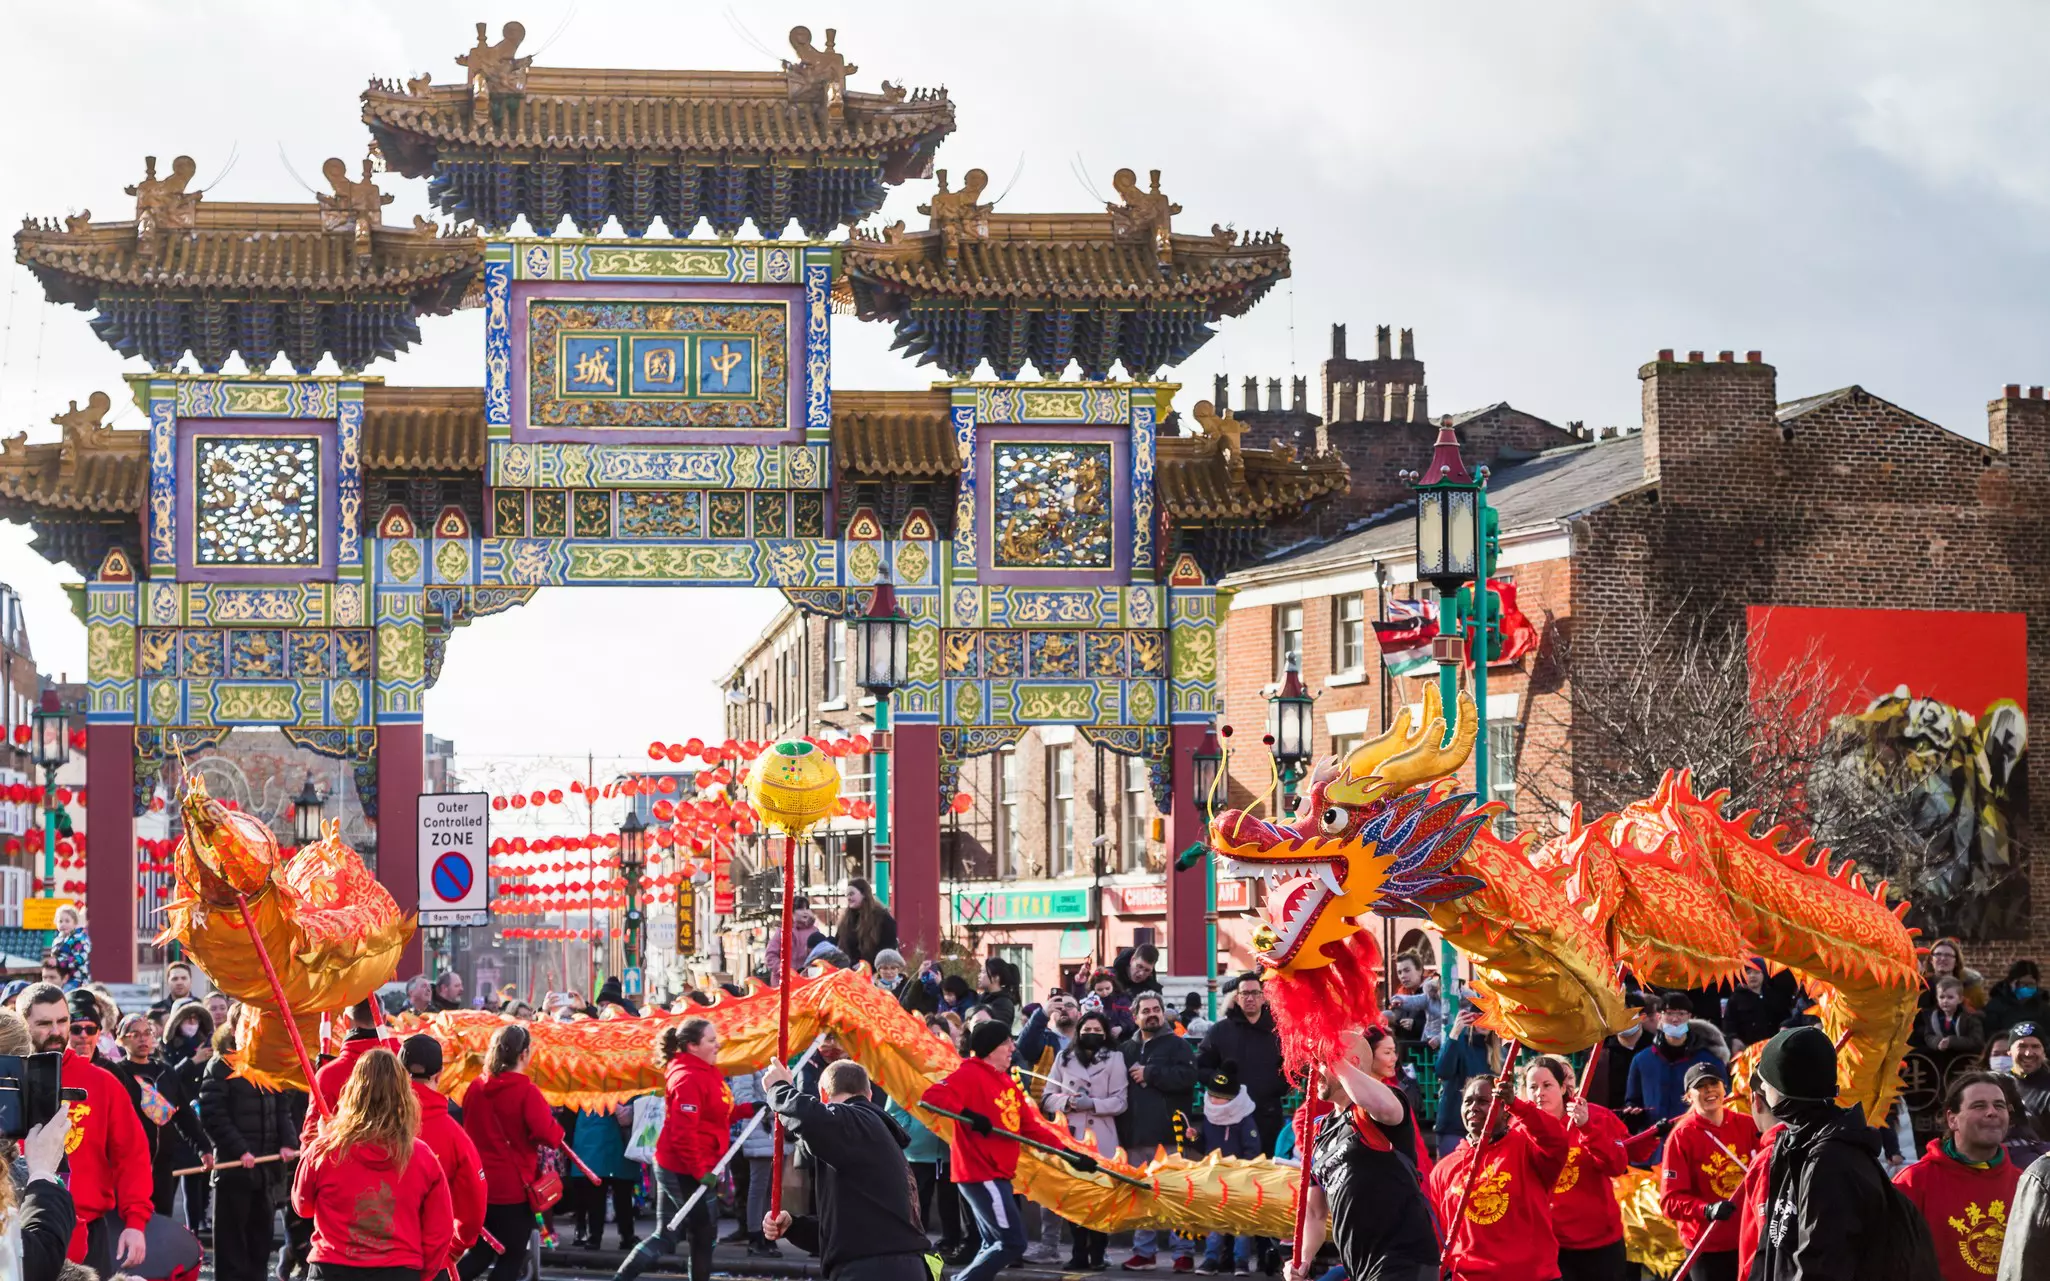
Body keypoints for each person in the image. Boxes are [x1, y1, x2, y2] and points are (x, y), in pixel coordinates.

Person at [923, 1020, 1097, 1281]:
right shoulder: (968, 1073)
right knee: (1011, 1243)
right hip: (981, 1172)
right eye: (1006, 1042)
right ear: (991, 1048)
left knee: (992, 1242)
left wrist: (1069, 1155)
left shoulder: (1007, 1083)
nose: (1012, 1047)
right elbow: (932, 1097)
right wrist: (968, 1115)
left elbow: (1033, 1129)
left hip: (999, 1174)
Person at [1751, 1025, 1927, 1280]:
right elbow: (1773, 1242)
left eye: (1765, 1083)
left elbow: (1821, 1264)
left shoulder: (1828, 1160)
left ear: (1784, 1087)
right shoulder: (1795, 1143)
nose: (1761, 1092)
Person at [16, 984, 150, 1277]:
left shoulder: (102, 1082)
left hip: (88, 1238)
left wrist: (135, 1222)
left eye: (63, 1021)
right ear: (22, 1024)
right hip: (21, 1234)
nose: (56, 1031)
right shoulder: (8, 1081)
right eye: (43, 1023)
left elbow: (132, 1154)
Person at [759, 1055, 930, 1281]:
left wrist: (778, 1088)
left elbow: (809, 1118)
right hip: (888, 1264)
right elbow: (846, 1232)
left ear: (823, 1095)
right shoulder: (870, 1133)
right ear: (869, 1094)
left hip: (875, 1269)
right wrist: (794, 1226)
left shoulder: (858, 1118)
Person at [292, 1048, 455, 1281]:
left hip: (333, 1268)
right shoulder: (421, 1156)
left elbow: (302, 1205)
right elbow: (440, 1232)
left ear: (352, 1092)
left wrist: (319, 1143)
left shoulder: (325, 1150)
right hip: (398, 1270)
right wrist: (422, 1274)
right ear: (403, 1095)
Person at [1289, 1030, 1439, 1281]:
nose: (1316, 1071)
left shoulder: (1380, 1106)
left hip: (1403, 1261)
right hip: (1360, 1267)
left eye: (1322, 1063)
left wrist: (1334, 1059)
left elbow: (1385, 1109)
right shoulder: (1321, 1130)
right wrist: (1302, 1261)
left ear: (1353, 1064)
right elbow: (1315, 1213)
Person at [614, 1018, 743, 1281]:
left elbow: (714, 1116)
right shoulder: (687, 1078)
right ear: (692, 1046)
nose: (718, 1044)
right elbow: (684, 1134)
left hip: (689, 1165)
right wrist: (700, 1173)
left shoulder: (706, 1071)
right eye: (710, 1040)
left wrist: (749, 1109)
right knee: (697, 1233)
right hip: (681, 1167)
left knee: (684, 1233)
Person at [1426, 1072, 1570, 1281]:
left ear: (1505, 1111)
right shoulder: (1444, 1168)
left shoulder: (1528, 1148)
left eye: (1484, 1101)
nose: (1473, 1107)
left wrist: (1518, 1105)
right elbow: (1437, 1233)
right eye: (1468, 1101)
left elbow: (1556, 1140)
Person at [459, 1023, 565, 1281]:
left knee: (481, 1253)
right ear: (523, 1054)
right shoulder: (526, 1092)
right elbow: (550, 1136)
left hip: (478, 1184)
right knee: (511, 1256)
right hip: (513, 1189)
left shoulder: (475, 1087)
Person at [200, 1017, 303, 1281]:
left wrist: (288, 1143)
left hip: (266, 1171)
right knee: (232, 1248)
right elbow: (213, 1114)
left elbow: (282, 1108)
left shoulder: (267, 1063)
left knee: (260, 1244)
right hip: (235, 1171)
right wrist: (240, 1150)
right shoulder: (220, 1065)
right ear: (235, 1027)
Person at [1895, 1071, 2021, 1281]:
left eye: (1999, 1105)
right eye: (1979, 1106)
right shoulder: (1912, 1182)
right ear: (1952, 1119)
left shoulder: (2025, 1183)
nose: (1992, 1112)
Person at [1523, 1055, 1630, 1281]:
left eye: (1547, 1085)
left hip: (1600, 1242)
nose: (1539, 1093)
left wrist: (1587, 1129)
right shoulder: (1520, 1129)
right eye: (1532, 1087)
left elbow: (1617, 1166)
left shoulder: (1595, 1116)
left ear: (1563, 1087)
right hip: (1551, 1245)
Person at [1118, 991, 1199, 1270]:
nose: (1152, 1014)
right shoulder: (1125, 1049)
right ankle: (1144, 1252)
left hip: (1171, 1135)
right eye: (1146, 1010)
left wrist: (1150, 1073)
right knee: (1142, 1196)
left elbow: (1188, 1078)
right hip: (1135, 1136)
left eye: (1156, 1009)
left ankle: (1183, 1252)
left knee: (1176, 1193)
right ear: (1135, 1016)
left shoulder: (1178, 1046)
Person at [1042, 1010, 1127, 1271]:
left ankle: (1098, 1253)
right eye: (1086, 1030)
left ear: (1105, 1033)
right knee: (1073, 1197)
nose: (1092, 1034)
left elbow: (1120, 1101)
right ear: (1079, 1032)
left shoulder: (1115, 1058)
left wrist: (1094, 1104)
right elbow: (1047, 1096)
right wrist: (1066, 1102)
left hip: (1101, 1137)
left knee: (1100, 1198)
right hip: (1071, 1136)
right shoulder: (1064, 1057)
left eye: (1097, 1030)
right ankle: (1079, 1252)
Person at [1658, 1063, 1759, 1281]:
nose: (1709, 1090)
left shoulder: (1747, 1125)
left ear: (1725, 1088)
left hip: (1750, 1239)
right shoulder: (1681, 1137)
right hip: (1707, 1244)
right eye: (1700, 1087)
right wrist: (1707, 1210)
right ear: (1689, 1096)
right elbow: (1670, 1201)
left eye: (1714, 1083)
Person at [399, 1034, 488, 1270]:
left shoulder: (366, 1124)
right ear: (439, 1075)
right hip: (427, 1257)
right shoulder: (455, 1137)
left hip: (366, 1257)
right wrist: (457, 1247)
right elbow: (473, 1210)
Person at [108, 1012, 206, 1220]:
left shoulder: (166, 1072)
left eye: (147, 1033)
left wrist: (203, 1147)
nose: (143, 1039)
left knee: (161, 1223)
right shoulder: (116, 1074)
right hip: (128, 1167)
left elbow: (184, 1116)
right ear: (121, 1040)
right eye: (135, 1034)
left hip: (163, 1167)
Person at [1198, 975, 1286, 1156]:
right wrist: (1221, 1084)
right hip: (1230, 1119)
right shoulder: (1220, 1031)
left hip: (1268, 1113)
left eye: (1255, 993)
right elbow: (1202, 1067)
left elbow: (1292, 1067)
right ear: (1236, 998)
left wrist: (1278, 1086)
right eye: (1245, 993)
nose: (1250, 998)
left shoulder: (1279, 1031)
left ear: (1264, 996)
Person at [1194, 1063, 1261, 1276]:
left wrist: (1242, 1170)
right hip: (1214, 1177)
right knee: (1215, 1220)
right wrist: (1193, 1138)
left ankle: (1241, 1261)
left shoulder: (1244, 1119)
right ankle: (1211, 1259)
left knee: (1241, 1222)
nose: (1213, 1100)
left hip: (1239, 1178)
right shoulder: (1209, 1117)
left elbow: (1253, 1148)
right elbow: (1203, 1145)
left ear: (1231, 1099)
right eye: (1211, 1095)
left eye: (1219, 1097)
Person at [1627, 994, 1726, 1124]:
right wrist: (1634, 1113)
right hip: (1654, 1137)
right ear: (1659, 1017)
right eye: (1669, 1013)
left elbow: (1723, 1099)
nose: (1675, 1019)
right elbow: (1633, 1100)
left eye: (1681, 1014)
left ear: (1689, 1017)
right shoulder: (1642, 1060)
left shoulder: (1708, 1061)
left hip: (1695, 1134)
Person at [161, 998, 215, 1234]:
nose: (192, 1024)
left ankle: (195, 1232)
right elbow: (166, 1078)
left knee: (195, 1182)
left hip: (196, 1121)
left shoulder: (207, 1045)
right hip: (173, 1122)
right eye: (187, 1019)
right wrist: (191, 1062)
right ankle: (160, 1234)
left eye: (196, 1019)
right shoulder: (167, 1048)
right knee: (166, 1186)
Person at [726, 1070, 780, 1257]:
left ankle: (767, 1235)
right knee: (758, 1188)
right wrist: (771, 1110)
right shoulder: (750, 1063)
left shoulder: (779, 1060)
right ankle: (756, 1236)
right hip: (760, 1130)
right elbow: (743, 1097)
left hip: (776, 1132)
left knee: (771, 1190)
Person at [1437, 999, 1497, 1157]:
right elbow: (1443, 1071)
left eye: (1489, 1017)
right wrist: (1455, 1033)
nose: (1484, 1022)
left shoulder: (1496, 1052)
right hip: (1455, 1125)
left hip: (1486, 1129)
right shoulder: (1460, 1042)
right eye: (1479, 1016)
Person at [1587, 993, 1659, 1123]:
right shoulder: (1601, 1054)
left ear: (1642, 1017)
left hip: (1652, 1122)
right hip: (1611, 1123)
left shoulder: (1656, 1050)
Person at [1917, 977, 1989, 1064]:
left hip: (1964, 1062)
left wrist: (1952, 1041)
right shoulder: (1933, 1018)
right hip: (1940, 1062)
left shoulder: (1970, 1018)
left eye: (1950, 997)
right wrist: (1937, 1042)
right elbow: (1928, 1036)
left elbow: (1977, 1042)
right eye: (1942, 997)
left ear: (1960, 999)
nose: (1945, 1001)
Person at [1719, 961, 1786, 1048]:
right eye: (1748, 973)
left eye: (1757, 972)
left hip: (1772, 1047)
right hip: (1746, 1048)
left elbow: (1783, 1018)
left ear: (1764, 975)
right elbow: (1728, 1024)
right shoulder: (1736, 998)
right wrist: (1733, 1039)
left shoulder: (1773, 996)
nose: (1752, 976)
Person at [834, 877, 898, 967]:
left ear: (863, 894)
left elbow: (887, 947)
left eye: (851, 894)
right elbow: (837, 942)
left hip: (874, 971)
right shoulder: (845, 921)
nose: (848, 898)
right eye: (847, 895)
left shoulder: (882, 918)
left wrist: (869, 966)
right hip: (849, 971)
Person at [1924, 939, 1989, 1013]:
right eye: (1938, 954)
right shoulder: (1920, 987)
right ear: (1931, 960)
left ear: (1956, 962)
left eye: (1948, 955)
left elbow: (1981, 1016)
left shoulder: (1971, 988)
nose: (1943, 958)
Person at [2011, 1024, 2050, 1142]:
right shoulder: (1996, 1084)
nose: (2028, 1053)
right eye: (2022, 1046)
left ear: (2044, 1052)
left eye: (2035, 1046)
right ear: (2009, 1051)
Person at [1990, 963, 2050, 1039]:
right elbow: (1991, 1034)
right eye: (2022, 983)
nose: (2026, 988)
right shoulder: (1996, 1005)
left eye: (2031, 984)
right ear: (2012, 983)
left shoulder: (2043, 1007)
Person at [49, 906, 89, 990]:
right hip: (60, 977)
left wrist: (59, 962)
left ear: (75, 923)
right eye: (60, 921)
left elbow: (79, 959)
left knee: (66, 995)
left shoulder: (78, 938)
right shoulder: (57, 940)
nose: (63, 924)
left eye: (67, 921)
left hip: (76, 978)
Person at [976, 957, 1020, 1031]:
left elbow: (996, 1031)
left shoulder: (1004, 1003)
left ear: (996, 977)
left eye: (983, 972)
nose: (979, 975)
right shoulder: (982, 998)